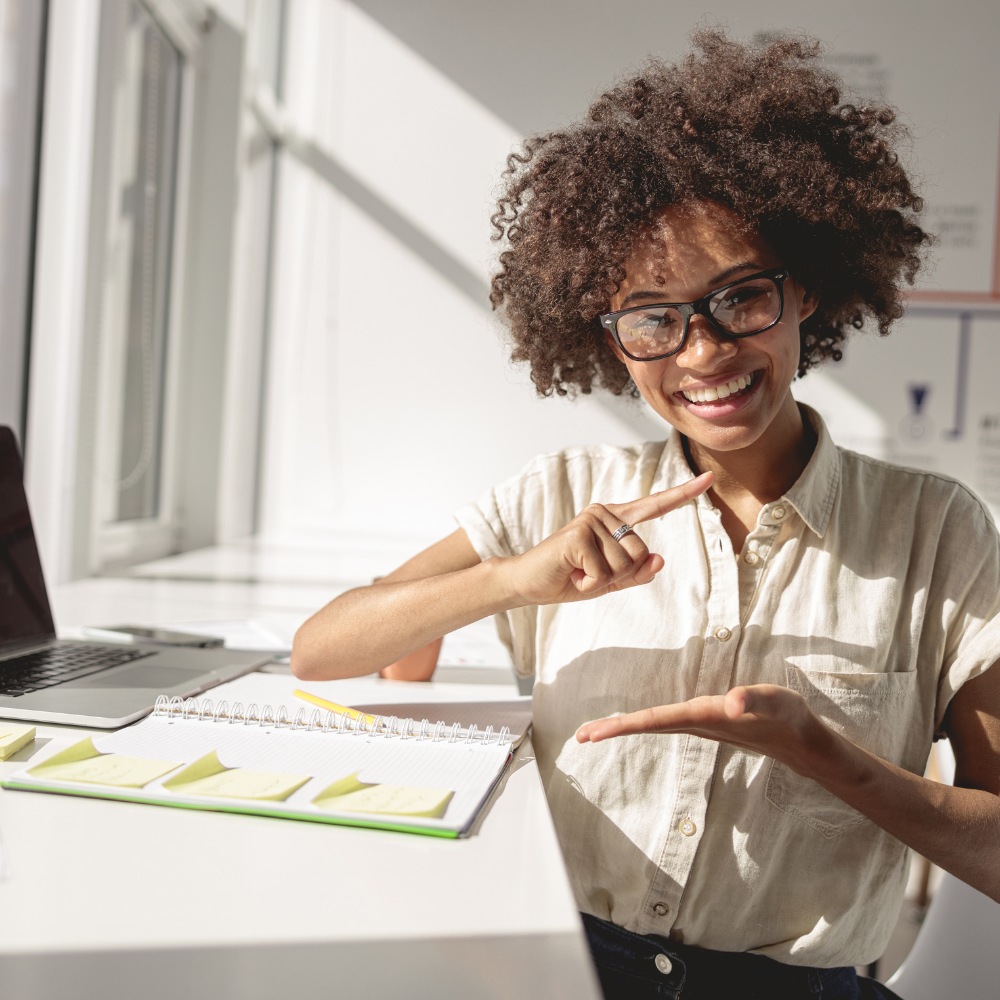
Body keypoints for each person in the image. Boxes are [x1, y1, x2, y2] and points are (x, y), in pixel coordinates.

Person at [291, 31, 1000, 1000]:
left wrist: (827, 758)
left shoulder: (939, 531)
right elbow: (321, 647)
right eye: (653, 317)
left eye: (740, 297)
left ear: (807, 291)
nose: (702, 352)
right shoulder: (561, 494)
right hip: (563, 963)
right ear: (611, 340)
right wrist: (511, 578)